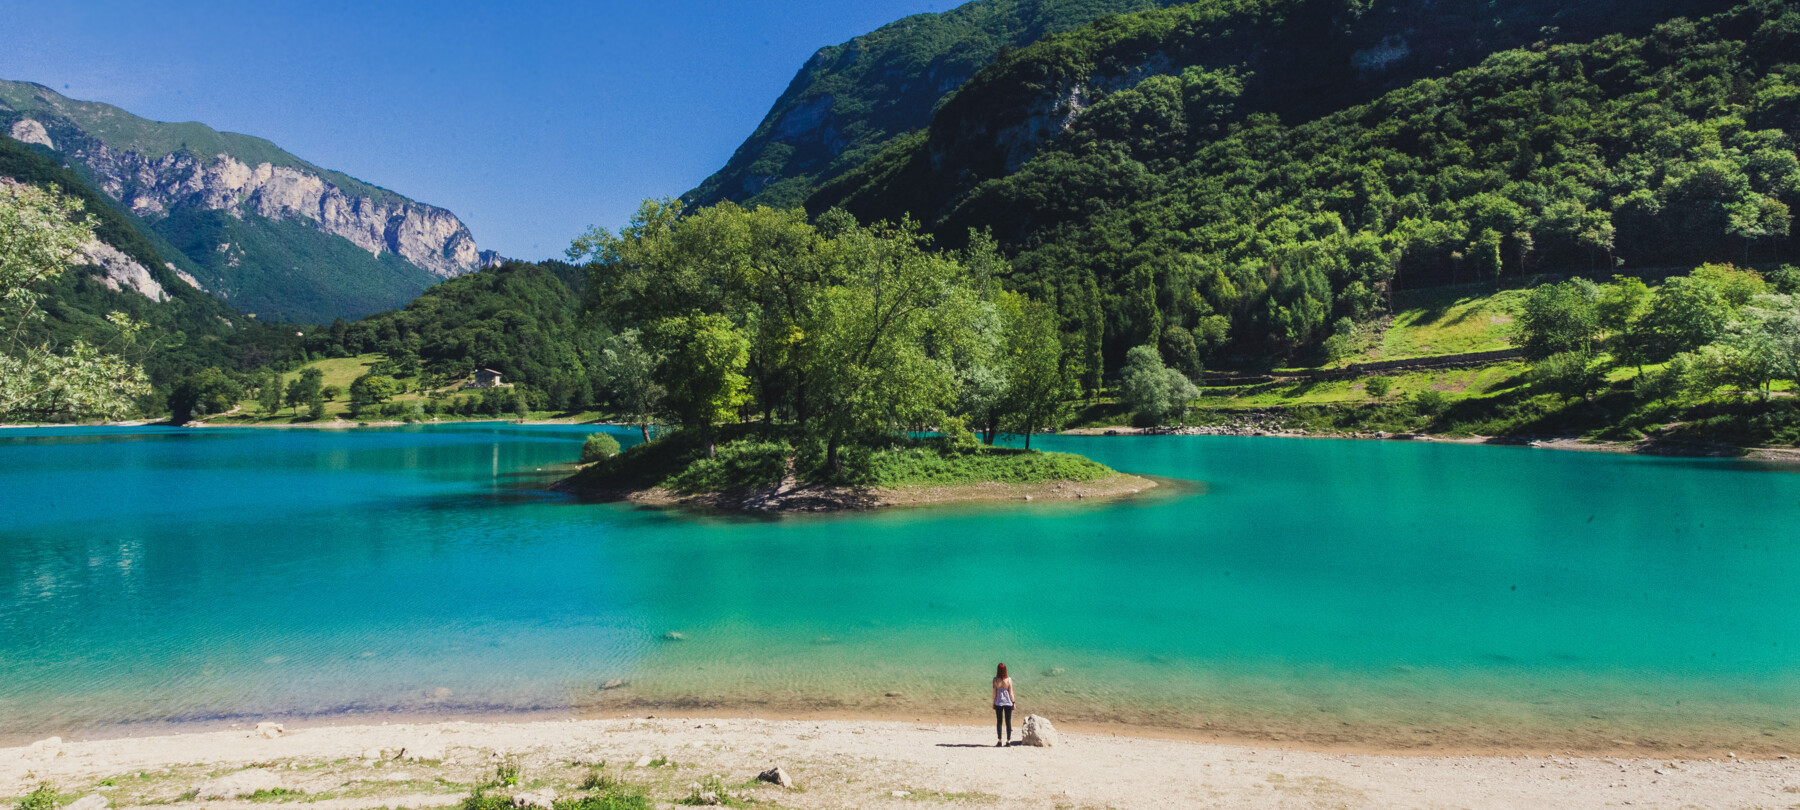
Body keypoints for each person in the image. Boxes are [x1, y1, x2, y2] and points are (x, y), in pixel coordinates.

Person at [992, 662, 1015, 746]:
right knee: (1008, 722)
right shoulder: (1009, 680)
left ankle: (999, 741)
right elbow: (1011, 693)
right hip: (1008, 703)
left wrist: (993, 702)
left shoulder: (995, 680)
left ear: (998, 670)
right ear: (1005, 670)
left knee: (999, 722)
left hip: (998, 702)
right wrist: (1013, 702)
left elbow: (994, 693)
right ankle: (1008, 741)